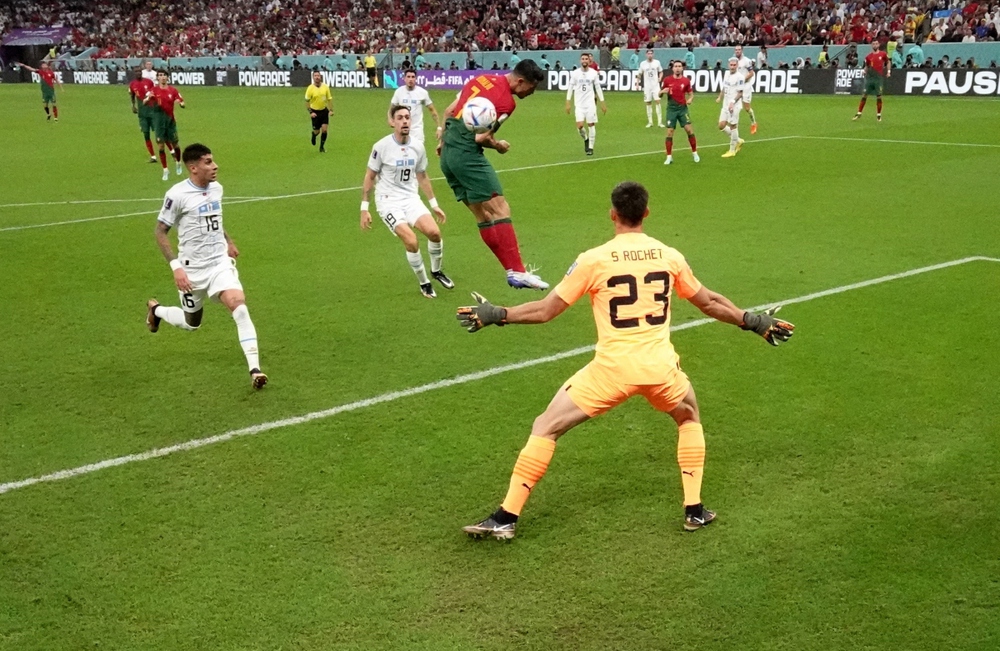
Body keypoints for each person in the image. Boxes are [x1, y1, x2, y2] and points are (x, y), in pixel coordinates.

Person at [457, 181, 795, 540]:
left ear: (612, 214)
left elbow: (545, 310)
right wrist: (753, 321)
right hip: (661, 370)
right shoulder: (668, 255)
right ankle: (694, 510)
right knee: (688, 415)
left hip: (611, 372)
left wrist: (497, 313)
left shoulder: (593, 259)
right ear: (646, 214)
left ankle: (507, 517)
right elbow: (710, 302)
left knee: (546, 427)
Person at [146, 143, 268, 390]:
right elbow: (160, 231)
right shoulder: (177, 195)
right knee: (192, 323)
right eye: (208, 162)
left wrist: (228, 240)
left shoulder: (217, 189)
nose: (215, 166)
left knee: (239, 307)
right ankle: (156, 310)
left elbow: (214, 219)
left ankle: (255, 370)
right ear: (193, 168)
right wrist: (176, 268)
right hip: (191, 271)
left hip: (219, 264)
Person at [438, 61, 549, 290]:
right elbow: (481, 138)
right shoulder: (506, 103)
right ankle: (518, 271)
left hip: (448, 155)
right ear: (520, 81)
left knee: (483, 217)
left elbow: (449, 111)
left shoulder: (481, 79)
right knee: (501, 209)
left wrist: (441, 142)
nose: (531, 93)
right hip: (468, 155)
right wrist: (499, 146)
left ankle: (512, 270)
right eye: (531, 87)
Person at [361, 105, 453, 298]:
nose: (404, 121)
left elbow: (423, 176)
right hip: (388, 202)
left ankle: (436, 272)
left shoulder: (417, 146)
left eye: (407, 117)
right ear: (392, 122)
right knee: (411, 240)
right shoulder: (381, 147)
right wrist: (364, 208)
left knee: (435, 233)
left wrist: (434, 205)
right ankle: (424, 283)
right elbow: (370, 176)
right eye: (400, 118)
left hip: (411, 198)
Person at [144, 70, 185, 181]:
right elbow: (144, 102)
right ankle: (165, 170)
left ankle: (178, 162)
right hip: (158, 120)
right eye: (160, 75)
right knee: (161, 146)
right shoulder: (153, 90)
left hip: (170, 121)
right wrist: (148, 98)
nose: (162, 77)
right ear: (157, 78)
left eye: (164, 75)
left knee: (175, 144)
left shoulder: (173, 90)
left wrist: (181, 103)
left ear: (167, 77)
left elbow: (181, 100)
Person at [565, 52, 607, 156]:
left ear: (589, 61)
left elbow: (597, 87)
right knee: (579, 126)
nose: (584, 61)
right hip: (579, 104)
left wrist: (602, 102)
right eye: (583, 59)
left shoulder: (593, 73)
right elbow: (570, 87)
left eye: (586, 59)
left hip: (590, 104)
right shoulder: (575, 73)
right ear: (580, 61)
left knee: (591, 124)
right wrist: (568, 101)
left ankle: (591, 147)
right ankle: (586, 138)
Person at [389, 69, 441, 146]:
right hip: (401, 130)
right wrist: (390, 120)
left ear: (416, 79)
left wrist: (439, 127)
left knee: (418, 155)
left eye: (413, 77)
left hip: (417, 132)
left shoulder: (422, 93)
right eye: (408, 77)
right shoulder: (399, 92)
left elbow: (432, 110)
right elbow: (391, 108)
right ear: (404, 78)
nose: (411, 79)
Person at [661, 61, 698, 165]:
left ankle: (695, 153)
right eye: (675, 66)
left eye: (679, 66)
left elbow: (691, 94)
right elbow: (660, 95)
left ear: (682, 68)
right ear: (672, 68)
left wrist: (690, 99)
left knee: (689, 130)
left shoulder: (686, 81)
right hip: (671, 109)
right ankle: (669, 157)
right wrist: (661, 92)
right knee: (669, 132)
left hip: (682, 109)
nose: (677, 68)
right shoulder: (667, 80)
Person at [854, 40, 890, 122]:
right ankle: (859, 113)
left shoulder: (883, 54)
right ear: (871, 45)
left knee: (879, 96)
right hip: (870, 78)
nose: (875, 45)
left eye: (876, 43)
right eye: (873, 44)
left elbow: (888, 62)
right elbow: (867, 66)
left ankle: (879, 115)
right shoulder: (868, 57)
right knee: (864, 95)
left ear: (879, 45)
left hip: (878, 78)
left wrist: (888, 71)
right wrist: (864, 71)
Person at [717, 58, 745, 158]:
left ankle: (732, 150)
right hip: (725, 104)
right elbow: (724, 86)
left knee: (733, 126)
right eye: (731, 65)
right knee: (721, 125)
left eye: (734, 65)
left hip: (734, 105)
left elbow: (740, 93)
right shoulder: (726, 74)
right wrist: (720, 97)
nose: (732, 67)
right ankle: (738, 140)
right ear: (728, 65)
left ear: (737, 66)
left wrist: (733, 102)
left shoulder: (740, 77)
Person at [128, 67, 157, 162]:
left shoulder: (149, 82)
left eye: (139, 71)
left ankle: (170, 150)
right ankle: (153, 156)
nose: (138, 73)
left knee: (158, 134)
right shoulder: (132, 84)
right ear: (134, 73)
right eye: (136, 72)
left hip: (152, 111)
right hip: (142, 114)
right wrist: (133, 105)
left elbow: (155, 94)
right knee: (146, 134)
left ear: (142, 72)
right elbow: (132, 95)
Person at [635, 50, 664, 128]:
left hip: (656, 86)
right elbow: (639, 74)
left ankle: (659, 122)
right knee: (648, 103)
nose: (650, 55)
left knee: (658, 101)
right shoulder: (643, 64)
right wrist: (637, 84)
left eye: (651, 53)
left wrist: (660, 78)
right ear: (646, 55)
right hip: (647, 87)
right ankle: (650, 122)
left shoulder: (657, 62)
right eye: (648, 54)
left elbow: (661, 71)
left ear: (653, 55)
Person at [304, 71, 333, 153]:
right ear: (313, 77)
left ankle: (322, 147)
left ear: (321, 77)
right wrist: (310, 112)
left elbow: (329, 99)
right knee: (317, 131)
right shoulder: (310, 88)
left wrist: (331, 110)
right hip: (315, 112)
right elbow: (307, 101)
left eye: (318, 76)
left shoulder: (325, 87)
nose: (317, 77)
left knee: (324, 130)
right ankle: (314, 135)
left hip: (324, 111)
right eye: (315, 76)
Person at [733, 45, 757, 134]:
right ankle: (734, 125)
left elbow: (751, 73)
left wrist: (742, 80)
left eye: (739, 50)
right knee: (733, 104)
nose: (737, 51)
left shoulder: (747, 61)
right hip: (736, 87)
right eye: (736, 50)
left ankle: (753, 123)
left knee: (747, 108)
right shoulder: (733, 60)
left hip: (746, 86)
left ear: (742, 51)